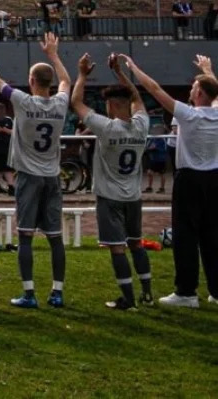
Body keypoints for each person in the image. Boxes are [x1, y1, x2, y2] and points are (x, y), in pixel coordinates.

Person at [0, 29, 70, 308]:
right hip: (52, 176)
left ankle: (29, 293)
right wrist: (53, 54)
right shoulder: (60, 103)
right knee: (55, 238)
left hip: (29, 176)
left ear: (31, 81)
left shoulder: (24, 101)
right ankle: (57, 292)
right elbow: (66, 80)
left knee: (25, 235)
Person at [122, 53, 218, 308]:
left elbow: (154, 88)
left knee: (185, 236)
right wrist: (208, 70)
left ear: (199, 94)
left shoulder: (189, 114)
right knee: (212, 236)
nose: (191, 89)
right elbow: (215, 92)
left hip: (190, 180)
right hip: (214, 180)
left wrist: (134, 67)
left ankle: (186, 293)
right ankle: (216, 291)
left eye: (194, 87)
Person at [71, 54, 152, 309]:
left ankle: (127, 298)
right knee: (136, 244)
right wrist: (119, 73)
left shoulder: (106, 127)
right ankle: (147, 293)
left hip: (110, 197)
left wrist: (83, 75)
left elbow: (75, 102)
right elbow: (138, 99)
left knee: (117, 248)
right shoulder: (142, 125)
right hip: (133, 196)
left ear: (112, 106)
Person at [144, 117, 170, 194]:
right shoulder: (152, 138)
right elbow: (148, 147)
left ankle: (162, 188)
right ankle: (150, 188)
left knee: (161, 174)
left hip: (160, 159)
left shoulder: (162, 139)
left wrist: (151, 148)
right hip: (153, 159)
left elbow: (158, 148)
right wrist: (147, 149)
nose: (154, 130)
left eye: (157, 129)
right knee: (149, 172)